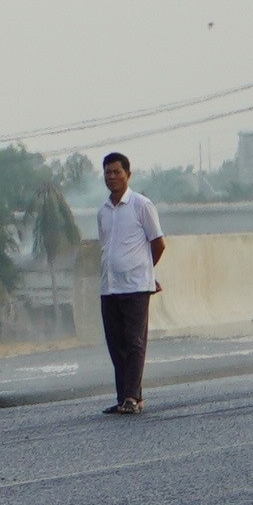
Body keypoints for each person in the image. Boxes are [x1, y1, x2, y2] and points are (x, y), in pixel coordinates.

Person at [94, 151, 165, 415]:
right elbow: (106, 247)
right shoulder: (103, 211)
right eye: (107, 172)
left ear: (128, 174)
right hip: (109, 287)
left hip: (135, 286)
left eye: (116, 172)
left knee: (135, 342)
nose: (112, 177)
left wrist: (146, 272)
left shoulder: (141, 205)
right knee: (116, 344)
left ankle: (132, 398)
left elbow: (158, 244)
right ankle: (126, 395)